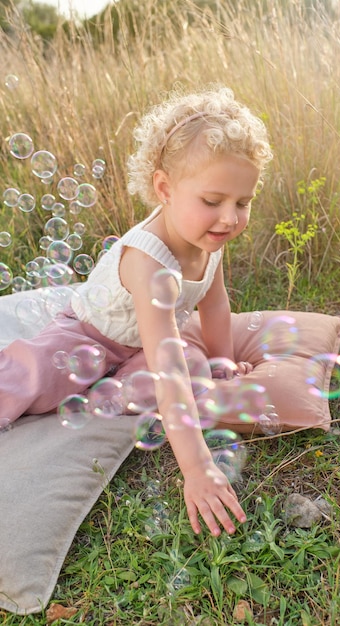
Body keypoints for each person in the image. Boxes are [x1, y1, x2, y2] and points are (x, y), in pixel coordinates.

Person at [0, 85, 273, 537]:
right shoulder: (149, 262)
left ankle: (98, 395)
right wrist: (198, 467)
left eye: (242, 203)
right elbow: (164, 367)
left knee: (195, 367)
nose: (229, 218)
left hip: (142, 347)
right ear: (164, 188)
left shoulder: (210, 242)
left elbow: (215, 304)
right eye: (212, 201)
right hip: (86, 336)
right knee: (35, 377)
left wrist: (224, 365)